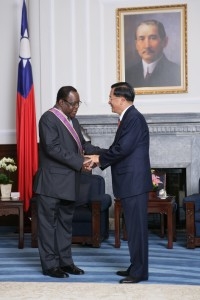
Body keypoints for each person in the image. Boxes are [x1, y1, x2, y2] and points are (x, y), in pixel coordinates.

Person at [85, 82, 152, 284]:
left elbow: (122, 149)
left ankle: (139, 272)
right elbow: (118, 149)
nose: (109, 101)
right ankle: (136, 266)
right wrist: (96, 156)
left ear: (122, 100)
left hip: (134, 184)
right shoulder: (129, 118)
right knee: (132, 228)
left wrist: (99, 159)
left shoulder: (134, 119)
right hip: (131, 184)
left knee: (136, 229)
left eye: (111, 97)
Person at [33, 86, 104, 278]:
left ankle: (65, 262)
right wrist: (81, 162)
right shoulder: (48, 118)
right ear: (61, 102)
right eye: (73, 104)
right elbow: (52, 149)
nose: (76, 108)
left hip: (70, 183)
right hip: (51, 184)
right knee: (48, 226)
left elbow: (83, 146)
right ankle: (49, 265)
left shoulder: (74, 121)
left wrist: (105, 155)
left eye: (78, 103)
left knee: (65, 225)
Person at [125, 19, 181, 87]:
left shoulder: (177, 72)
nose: (147, 46)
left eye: (153, 38)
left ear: (164, 42)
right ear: (136, 44)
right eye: (141, 39)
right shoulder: (127, 74)